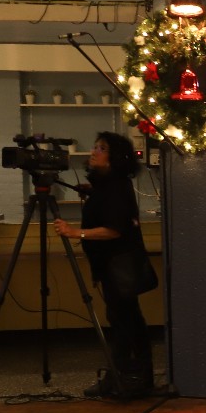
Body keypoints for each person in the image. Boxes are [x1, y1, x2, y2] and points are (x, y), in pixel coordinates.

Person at [53, 131, 153, 398]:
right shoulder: (108, 186)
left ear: (115, 157)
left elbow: (114, 229)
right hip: (113, 267)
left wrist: (76, 233)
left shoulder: (116, 187)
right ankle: (127, 377)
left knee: (124, 322)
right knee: (126, 321)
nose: (94, 151)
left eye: (102, 148)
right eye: (95, 146)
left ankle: (126, 379)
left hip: (118, 268)